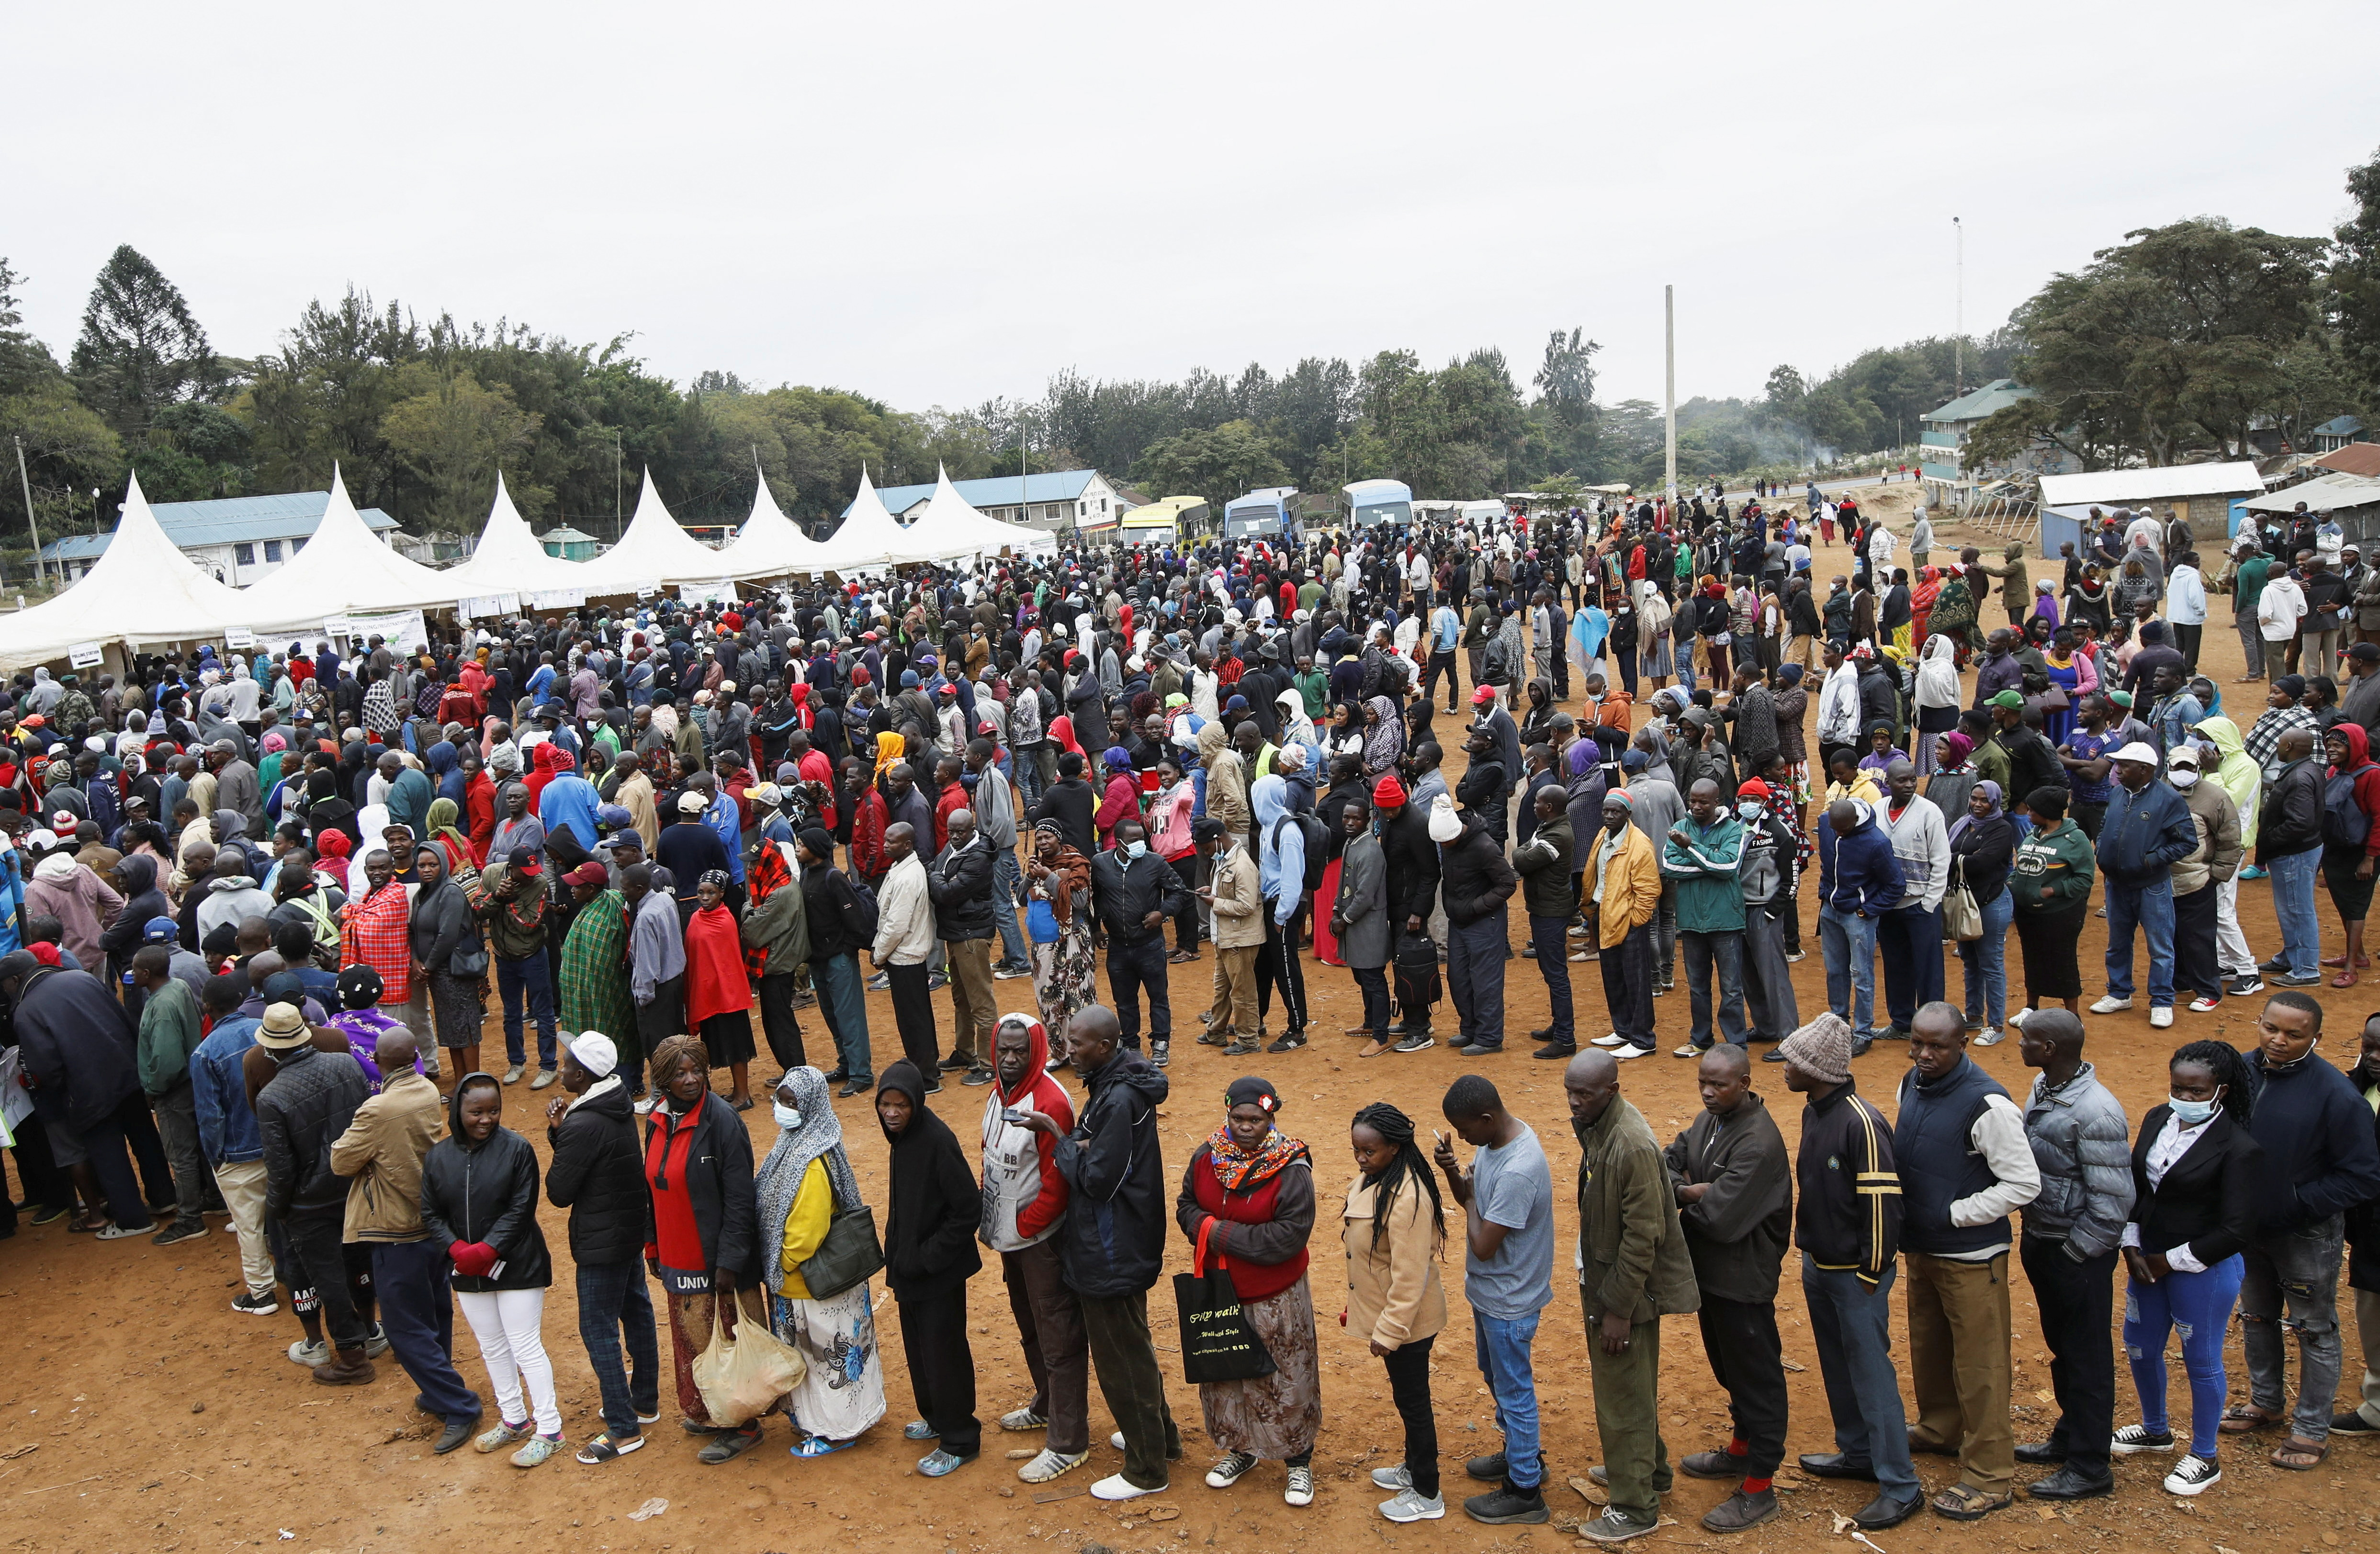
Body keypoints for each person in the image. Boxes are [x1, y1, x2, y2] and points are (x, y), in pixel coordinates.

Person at [1015, 1005, 1181, 1502]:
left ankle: (1147, 1469)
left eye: (1078, 1043)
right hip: (1122, 1242)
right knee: (1133, 1346)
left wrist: (1058, 1136)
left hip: (1111, 1250)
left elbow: (1096, 1179)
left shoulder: (1117, 1098)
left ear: (1105, 1047)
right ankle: (1161, 1439)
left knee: (1120, 1360)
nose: (1069, 1050)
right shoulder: (1115, 1085)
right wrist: (1080, 1144)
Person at [1895, 1002, 2043, 1520]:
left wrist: (1956, 1214)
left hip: (1972, 1257)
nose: (1924, 1054)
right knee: (1929, 1348)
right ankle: (1940, 1428)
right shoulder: (1910, 1084)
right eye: (1917, 1042)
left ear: (1962, 1044)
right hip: (1923, 1248)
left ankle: (1990, 1475)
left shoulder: (1989, 1105)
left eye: (1937, 1046)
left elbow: (2024, 1183)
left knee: (1981, 1367)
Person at [1778, 1012, 1919, 1530]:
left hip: (1856, 1276)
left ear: (1817, 1070)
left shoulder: (1861, 1121)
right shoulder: (1814, 1111)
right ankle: (1858, 1453)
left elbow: (1883, 1204)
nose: (1784, 1067)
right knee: (1838, 1366)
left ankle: (1901, 1485)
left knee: (1871, 1375)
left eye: (1793, 1061)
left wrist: (1871, 1273)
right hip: (1820, 1265)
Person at [2232, 993, 2380, 1470]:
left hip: (2306, 1235)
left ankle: (2311, 1428)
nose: (2278, 1040)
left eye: (2294, 1034)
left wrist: (2294, 1205)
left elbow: (2362, 1176)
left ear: (2315, 1038)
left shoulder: (2338, 1095)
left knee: (2313, 1328)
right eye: (2271, 1028)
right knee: (2256, 1315)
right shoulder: (2238, 1071)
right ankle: (2266, 1402)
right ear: (2260, 1021)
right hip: (2245, 1227)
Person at [1565, 1049, 1701, 1544]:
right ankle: (1651, 1471)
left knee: (1623, 1399)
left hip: (1627, 1295)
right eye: (1570, 1092)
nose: (1574, 1102)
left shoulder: (1632, 1145)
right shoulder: (1601, 1126)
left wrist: (1619, 1310)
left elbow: (1645, 1236)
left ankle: (1635, 1506)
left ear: (1612, 1091)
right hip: (1610, 1283)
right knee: (1630, 1388)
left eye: (1584, 1094)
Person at [2118, 1040, 2262, 1496]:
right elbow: (2139, 1188)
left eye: (2196, 1091)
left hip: (2203, 1271)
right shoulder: (2157, 1118)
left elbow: (2236, 1230)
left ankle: (2205, 1455)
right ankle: (2155, 1430)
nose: (2183, 1097)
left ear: (2220, 1091)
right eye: (2177, 1087)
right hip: (2146, 1261)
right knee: (2139, 1346)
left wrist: (2168, 1260)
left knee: (2200, 1359)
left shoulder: (2238, 1148)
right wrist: (2131, 1244)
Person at [1660, 1044, 1792, 1532]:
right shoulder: (1709, 1121)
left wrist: (1687, 1197)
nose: (1708, 1091)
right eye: (1703, 1081)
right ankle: (1740, 1449)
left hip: (1744, 1280)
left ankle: (1760, 1486)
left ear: (1744, 1082)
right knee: (1727, 1367)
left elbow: (1719, 1218)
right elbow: (1666, 1160)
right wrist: (1688, 1188)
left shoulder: (1757, 1141)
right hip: (1713, 1274)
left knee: (1756, 1377)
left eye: (1719, 1084)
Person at [1173, 1076, 1321, 1507]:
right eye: (1237, 1117)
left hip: (1276, 1297)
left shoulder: (1291, 1168)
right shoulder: (1206, 1155)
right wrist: (1201, 1224)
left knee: (1285, 1377)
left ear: (1270, 1118)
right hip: (1220, 1292)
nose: (1244, 1126)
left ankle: (1297, 1461)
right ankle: (1242, 1450)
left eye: (1255, 1119)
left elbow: (1286, 1239)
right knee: (1227, 1372)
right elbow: (1185, 1205)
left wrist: (1215, 1232)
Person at [2012, 1010, 2134, 1500]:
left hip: (2076, 1253)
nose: (2019, 1044)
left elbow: (2113, 1204)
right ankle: (2069, 1436)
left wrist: (2072, 1253)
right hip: (2044, 1238)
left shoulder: (2097, 1111)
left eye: (2027, 1040)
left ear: (2048, 1049)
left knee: (2087, 1358)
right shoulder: (2044, 1087)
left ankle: (2089, 1465)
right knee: (2065, 1349)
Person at [419, 1070, 563, 1465]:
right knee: (492, 1345)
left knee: (524, 1345)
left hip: (518, 1265)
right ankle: (515, 1419)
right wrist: (456, 1249)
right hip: (468, 1269)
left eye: (494, 1111)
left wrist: (488, 1248)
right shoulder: (438, 1157)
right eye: (476, 1112)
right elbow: (431, 1212)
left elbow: (521, 1208)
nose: (486, 1119)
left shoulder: (517, 1149)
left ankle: (550, 1429)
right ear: (457, 1110)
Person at [1432, 1074, 1555, 1525]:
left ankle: (1525, 1491)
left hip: (1509, 1300)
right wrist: (1452, 1171)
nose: (1463, 1138)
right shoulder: (1494, 1143)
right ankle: (1522, 1453)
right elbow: (1472, 1197)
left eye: (1465, 1130)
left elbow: (1483, 1243)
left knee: (1514, 1390)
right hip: (1493, 1293)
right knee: (1498, 1378)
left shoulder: (1519, 1168)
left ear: (1486, 1118)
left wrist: (1467, 1202)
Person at [642, 1032, 766, 1463]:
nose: (691, 1079)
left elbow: (740, 1199)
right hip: (677, 1256)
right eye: (680, 1073)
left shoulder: (724, 1122)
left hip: (716, 1264)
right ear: (663, 1080)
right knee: (693, 1343)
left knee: (727, 1343)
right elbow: (652, 1187)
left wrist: (729, 1263)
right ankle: (711, 1411)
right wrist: (653, 1246)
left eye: (697, 1070)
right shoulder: (657, 1118)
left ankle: (742, 1425)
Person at [541, 1031, 661, 1465]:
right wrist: (564, 1132)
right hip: (627, 1230)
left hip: (600, 1241)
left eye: (567, 1064)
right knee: (637, 1311)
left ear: (582, 1075)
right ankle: (643, 1402)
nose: (561, 1069)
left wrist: (560, 1134)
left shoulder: (583, 1122)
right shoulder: (616, 1102)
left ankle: (624, 1428)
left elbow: (559, 1191)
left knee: (598, 1328)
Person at [756, 1066, 888, 1458]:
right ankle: (832, 1420)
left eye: (792, 1102)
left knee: (824, 1360)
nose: (783, 1107)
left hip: (810, 1284)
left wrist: (779, 1261)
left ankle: (835, 1430)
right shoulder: (798, 1143)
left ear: (811, 1105)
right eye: (781, 1099)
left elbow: (806, 1233)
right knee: (826, 1357)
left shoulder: (810, 1160)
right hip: (814, 1283)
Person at [979, 1014, 1088, 1483]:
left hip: (1040, 1242)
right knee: (1030, 1326)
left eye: (1020, 1051)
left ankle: (1068, 1442)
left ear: (1036, 1051)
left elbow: (1055, 1184)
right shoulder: (999, 1094)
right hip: (1010, 1238)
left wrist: (1024, 1225)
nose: (1009, 1059)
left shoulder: (1050, 1103)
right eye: (1003, 1050)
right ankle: (1045, 1405)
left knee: (1058, 1337)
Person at [875, 1060, 985, 1476]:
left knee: (944, 1355)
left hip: (938, 1274)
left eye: (901, 1105)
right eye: (885, 1104)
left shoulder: (937, 1140)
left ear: (916, 1104)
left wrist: (927, 1257)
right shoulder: (902, 1138)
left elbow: (967, 1208)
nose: (892, 1113)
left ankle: (960, 1439)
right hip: (910, 1272)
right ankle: (937, 1417)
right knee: (920, 1352)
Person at [1344, 1101, 1449, 1523]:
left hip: (1409, 1323)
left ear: (1394, 1147)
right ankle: (1412, 1466)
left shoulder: (1407, 1197)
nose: (1360, 1158)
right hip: (1392, 1313)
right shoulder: (1378, 1177)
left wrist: (1387, 1331)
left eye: (1369, 1151)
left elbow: (1409, 1276)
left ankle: (1427, 1491)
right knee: (1407, 1399)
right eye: (1356, 1149)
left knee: (1414, 1403)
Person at [2091, 742, 2197, 1026]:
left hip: (2152, 885)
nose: (2117, 770)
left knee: (2160, 946)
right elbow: (2105, 826)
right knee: (2117, 943)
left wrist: (2152, 860)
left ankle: (2162, 1001)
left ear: (2145, 770)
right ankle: (2119, 993)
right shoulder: (2117, 793)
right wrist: (2102, 847)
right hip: (2116, 884)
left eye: (2124, 766)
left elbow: (2187, 841)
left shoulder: (2168, 799)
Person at [128, 943, 209, 1245]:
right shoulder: (179, 986)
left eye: (136, 969)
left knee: (181, 1155)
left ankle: (190, 1220)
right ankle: (213, 1199)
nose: (132, 974)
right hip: (191, 1082)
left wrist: (153, 1090)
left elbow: (167, 1061)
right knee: (198, 1146)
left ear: (147, 973)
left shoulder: (161, 1006)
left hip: (174, 1090)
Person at [1661, 777, 1748, 1057]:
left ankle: (1736, 1045)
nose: (1697, 807)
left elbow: (1729, 866)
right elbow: (1670, 867)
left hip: (1726, 921)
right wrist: (1710, 862)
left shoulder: (1733, 829)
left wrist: (1690, 847)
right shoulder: (1680, 827)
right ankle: (1701, 1039)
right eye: (1693, 801)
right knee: (1698, 987)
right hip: (1691, 922)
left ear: (1717, 803)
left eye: (1703, 802)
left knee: (1731, 988)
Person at [1090, 817, 1188, 1061]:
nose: (1140, 844)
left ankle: (1161, 1042)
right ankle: (1131, 1044)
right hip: (1118, 947)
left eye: (1142, 839)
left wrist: (1162, 913)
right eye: (1133, 840)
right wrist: (1096, 928)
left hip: (1150, 945)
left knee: (1158, 997)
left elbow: (1179, 892)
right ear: (1119, 842)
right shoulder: (1100, 864)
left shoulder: (1156, 863)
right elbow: (1096, 896)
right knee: (1124, 1000)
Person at [1816, 798, 1904, 1058]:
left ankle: (1863, 1032)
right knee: (1834, 971)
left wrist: (1868, 910)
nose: (1839, 834)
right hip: (1830, 911)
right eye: (1835, 830)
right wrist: (1824, 893)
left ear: (1855, 821)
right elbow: (1826, 865)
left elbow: (1896, 885)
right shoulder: (1826, 825)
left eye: (1843, 830)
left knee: (1861, 974)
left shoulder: (1876, 842)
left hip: (1857, 916)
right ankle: (1839, 1024)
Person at [795, 828, 873, 1098]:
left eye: (802, 844)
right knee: (831, 1015)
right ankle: (846, 1065)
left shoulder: (834, 877)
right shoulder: (807, 874)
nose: (798, 848)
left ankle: (861, 1074)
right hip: (818, 960)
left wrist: (847, 950)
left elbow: (856, 921)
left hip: (839, 959)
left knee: (849, 1017)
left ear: (816, 848)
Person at [1437, 796, 1517, 1056]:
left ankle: (1490, 1037)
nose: (1443, 846)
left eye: (1446, 842)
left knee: (1486, 982)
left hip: (1485, 923)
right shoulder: (1448, 840)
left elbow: (1507, 884)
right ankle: (1470, 1029)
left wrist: (1476, 907)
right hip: (1459, 921)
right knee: (1458, 978)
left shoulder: (1485, 846)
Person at [2009, 787, 2095, 1025]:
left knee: (2063, 961)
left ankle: (2073, 1016)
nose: (2028, 814)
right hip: (2028, 913)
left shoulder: (2075, 839)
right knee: (2032, 958)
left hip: (2060, 915)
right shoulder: (2033, 834)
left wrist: (2053, 890)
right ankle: (2031, 1007)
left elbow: (2085, 878)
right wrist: (2013, 882)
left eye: (2032, 810)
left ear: (2046, 812)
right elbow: (2021, 865)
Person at [1586, 791, 1661, 1059]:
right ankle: (1623, 1029)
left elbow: (1649, 890)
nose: (1609, 816)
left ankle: (1643, 1039)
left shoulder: (1639, 845)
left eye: (1615, 812)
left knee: (1636, 982)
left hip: (1628, 922)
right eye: (1606, 811)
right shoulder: (1603, 836)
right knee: (1614, 978)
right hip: (1605, 916)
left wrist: (1635, 921)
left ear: (1628, 815)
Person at [926, 806, 997, 1081]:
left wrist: (938, 878)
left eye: (960, 832)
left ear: (972, 830)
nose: (954, 837)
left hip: (972, 937)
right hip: (957, 934)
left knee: (981, 1002)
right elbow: (936, 870)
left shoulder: (978, 858)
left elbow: (946, 894)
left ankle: (989, 1065)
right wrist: (940, 877)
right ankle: (965, 1052)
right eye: (951, 832)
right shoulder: (954, 848)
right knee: (961, 999)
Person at [478, 846, 557, 1088]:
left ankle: (548, 1066)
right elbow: (478, 911)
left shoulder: (540, 884)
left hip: (533, 956)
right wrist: (496, 896)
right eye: (526, 872)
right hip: (504, 957)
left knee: (543, 1012)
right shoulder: (491, 874)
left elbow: (529, 925)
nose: (532, 876)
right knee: (511, 1014)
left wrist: (510, 902)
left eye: (534, 870)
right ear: (512, 868)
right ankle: (516, 1063)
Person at [408, 844, 486, 1078]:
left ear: (443, 864)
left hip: (455, 971)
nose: (427, 870)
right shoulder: (422, 894)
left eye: (433, 865)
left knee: (465, 1027)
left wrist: (428, 966)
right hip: (436, 973)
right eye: (422, 865)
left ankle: (472, 1082)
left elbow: (447, 936)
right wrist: (416, 960)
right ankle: (461, 1081)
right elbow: (413, 932)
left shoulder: (450, 891)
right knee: (451, 1028)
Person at [1947, 782, 2016, 1045]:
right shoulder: (1963, 824)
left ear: (1995, 803)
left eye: (1984, 800)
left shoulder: (2001, 829)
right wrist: (1962, 858)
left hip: (1991, 904)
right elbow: (1950, 853)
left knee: (1991, 964)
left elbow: (1982, 862)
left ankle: (1996, 1025)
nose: (1978, 804)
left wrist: (1954, 858)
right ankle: (1974, 1016)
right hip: (1966, 904)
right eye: (1974, 798)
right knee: (1970, 961)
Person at [872, 821, 940, 1085]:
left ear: (908, 845)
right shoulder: (902, 868)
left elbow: (896, 926)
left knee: (913, 1020)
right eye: (886, 840)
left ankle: (927, 1076)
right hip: (906, 954)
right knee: (917, 1015)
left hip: (905, 956)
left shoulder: (908, 877)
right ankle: (928, 1066)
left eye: (892, 842)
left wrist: (879, 954)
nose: (886, 845)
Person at [2257, 727, 2325, 987]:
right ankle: (2290, 957)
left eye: (2279, 743)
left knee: (2298, 911)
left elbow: (2300, 823)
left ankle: (2306, 970)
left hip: (2294, 855)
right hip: (2297, 852)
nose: (2276, 746)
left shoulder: (2298, 778)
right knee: (2291, 910)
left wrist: (2269, 839)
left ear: (2288, 747)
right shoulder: (2306, 769)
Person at [1511, 787, 1577, 1058]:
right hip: (1545, 909)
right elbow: (1525, 850)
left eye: (1538, 802)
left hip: (1551, 912)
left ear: (1549, 807)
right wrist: (1525, 850)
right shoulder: (1549, 827)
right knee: (1552, 973)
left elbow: (1523, 859)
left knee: (1556, 975)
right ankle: (1559, 1026)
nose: (1534, 806)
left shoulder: (1558, 835)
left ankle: (1566, 1038)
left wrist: (1523, 851)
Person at [684, 869, 756, 1108]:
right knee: (713, 1043)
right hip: (707, 995)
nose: (705, 898)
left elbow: (728, 961)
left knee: (737, 1046)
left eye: (711, 893)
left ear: (722, 894)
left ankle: (743, 1096)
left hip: (729, 996)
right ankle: (734, 1093)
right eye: (701, 892)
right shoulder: (696, 919)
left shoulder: (725, 921)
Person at [1332, 798, 1395, 1055]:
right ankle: (1370, 1023)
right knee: (1362, 977)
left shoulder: (1370, 851)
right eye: (1346, 817)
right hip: (1355, 925)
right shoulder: (1351, 843)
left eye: (1356, 819)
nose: (1350, 823)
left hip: (1368, 927)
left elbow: (1365, 896)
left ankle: (1381, 1036)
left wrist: (1344, 920)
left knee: (1374, 981)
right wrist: (1336, 911)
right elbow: (1343, 885)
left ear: (1367, 820)